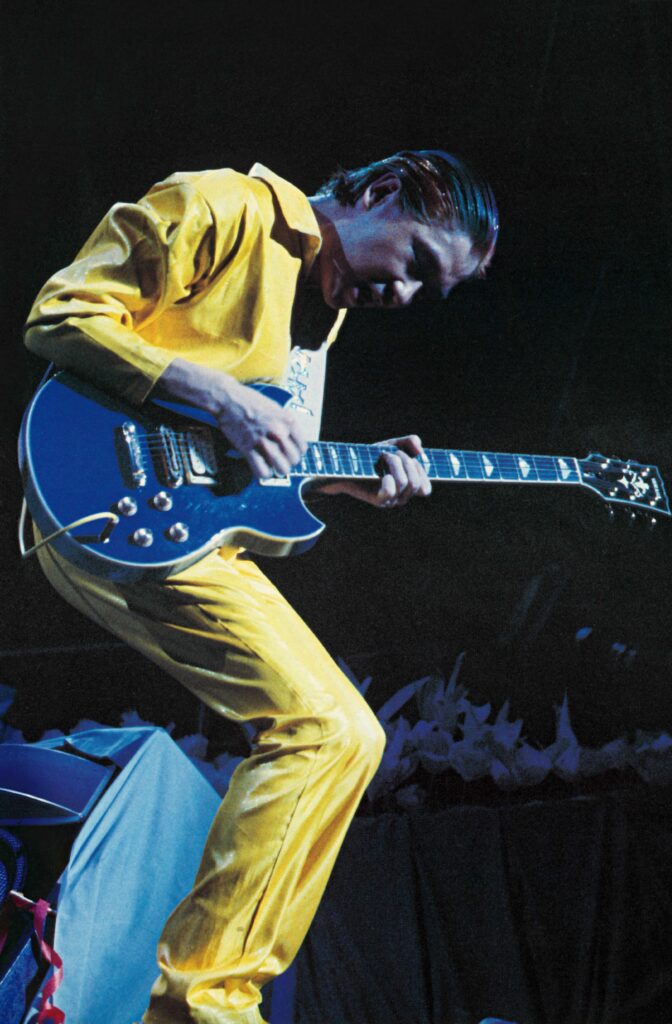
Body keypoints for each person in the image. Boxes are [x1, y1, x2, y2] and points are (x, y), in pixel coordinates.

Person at [23, 150, 498, 1024]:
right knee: (327, 729)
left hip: (187, 537)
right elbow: (60, 314)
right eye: (415, 262)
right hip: (104, 497)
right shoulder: (222, 205)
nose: (404, 296)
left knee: (342, 734)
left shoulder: (323, 315)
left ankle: (207, 997)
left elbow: (260, 468)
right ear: (380, 192)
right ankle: (206, 1005)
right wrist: (221, 398)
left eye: (428, 291)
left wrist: (345, 479)